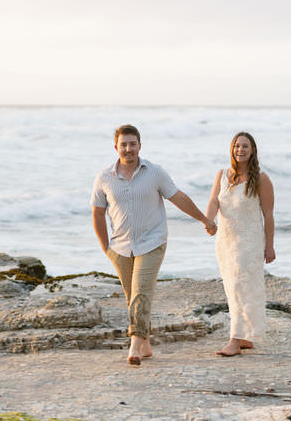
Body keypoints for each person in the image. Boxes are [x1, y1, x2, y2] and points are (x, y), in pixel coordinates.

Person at [91, 124, 217, 366]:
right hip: (120, 247)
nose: (128, 149)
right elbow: (97, 214)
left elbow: (178, 197)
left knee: (141, 292)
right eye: (124, 144)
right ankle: (146, 344)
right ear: (116, 147)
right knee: (133, 296)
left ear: (140, 145)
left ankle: (135, 345)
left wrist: (204, 219)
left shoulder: (155, 173)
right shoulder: (104, 178)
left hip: (152, 242)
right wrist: (105, 247)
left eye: (133, 144)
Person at [204, 131, 275, 357]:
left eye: (245, 146)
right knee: (233, 287)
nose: (240, 150)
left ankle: (235, 340)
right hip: (226, 241)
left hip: (250, 241)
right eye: (237, 146)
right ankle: (246, 335)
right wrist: (209, 220)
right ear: (232, 149)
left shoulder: (261, 179)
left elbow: (269, 215)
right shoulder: (223, 175)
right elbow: (214, 200)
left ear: (253, 150)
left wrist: (270, 246)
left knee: (239, 286)